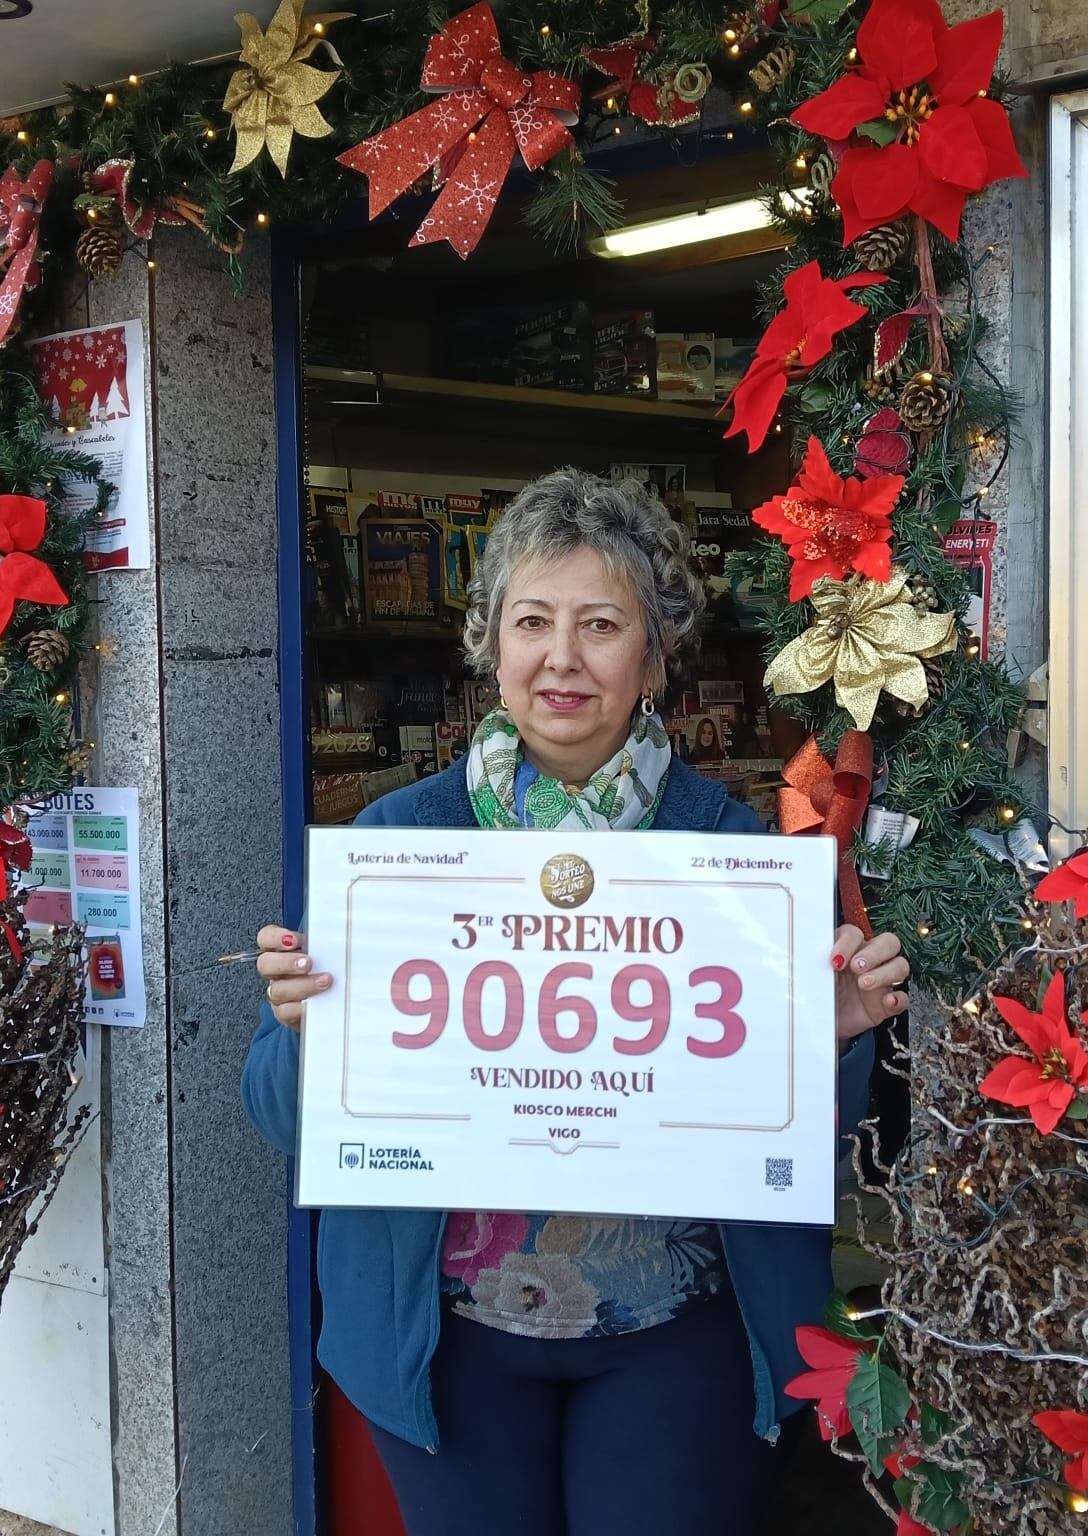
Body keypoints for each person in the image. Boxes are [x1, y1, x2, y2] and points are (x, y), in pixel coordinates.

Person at [241, 469, 911, 1536]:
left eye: (601, 624)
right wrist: (303, 1032)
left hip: (678, 1337)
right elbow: (281, 1118)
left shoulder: (731, 853)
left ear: (653, 655)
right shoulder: (398, 846)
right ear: (489, 645)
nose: (561, 657)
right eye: (532, 621)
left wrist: (823, 1038)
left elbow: (804, 1151)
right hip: (444, 1343)